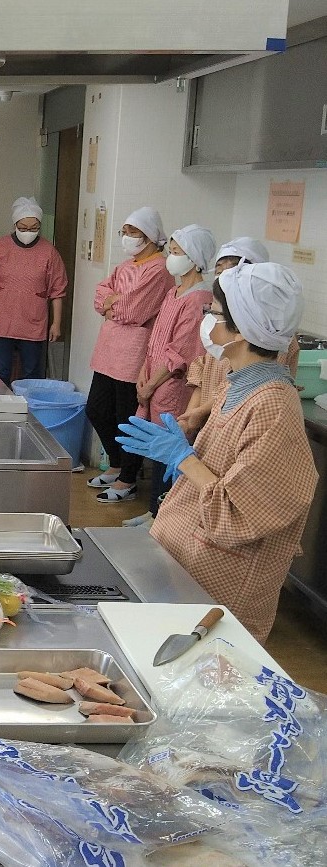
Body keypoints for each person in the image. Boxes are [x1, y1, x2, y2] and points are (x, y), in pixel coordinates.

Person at [117, 263, 317, 642]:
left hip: (220, 595)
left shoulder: (273, 407)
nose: (207, 322)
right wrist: (189, 460)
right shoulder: (237, 386)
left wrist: (185, 459)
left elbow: (239, 515)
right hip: (186, 563)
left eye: (215, 315)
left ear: (242, 331)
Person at [123, 224, 216, 528]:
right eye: (172, 251)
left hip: (171, 386)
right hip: (153, 378)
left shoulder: (198, 299)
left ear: (195, 258)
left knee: (169, 453)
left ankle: (161, 517)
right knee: (156, 449)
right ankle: (153, 512)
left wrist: (151, 383)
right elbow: (156, 341)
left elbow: (181, 352)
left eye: (177, 252)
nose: (171, 257)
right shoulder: (174, 292)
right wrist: (142, 372)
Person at [84, 206, 175, 504]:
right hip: (108, 350)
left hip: (134, 353)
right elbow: (100, 296)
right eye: (124, 232)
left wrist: (114, 305)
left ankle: (128, 479)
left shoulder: (159, 269)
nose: (126, 237)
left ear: (149, 236)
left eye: (132, 232)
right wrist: (111, 303)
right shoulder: (126, 266)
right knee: (97, 409)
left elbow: (135, 311)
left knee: (128, 418)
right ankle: (116, 463)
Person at [178, 237, 300, 440]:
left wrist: (183, 459)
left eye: (235, 269)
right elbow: (204, 370)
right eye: (220, 270)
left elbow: (242, 471)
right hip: (210, 425)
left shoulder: (270, 397)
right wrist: (192, 416)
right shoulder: (232, 374)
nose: (225, 275)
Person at [0, 197, 68, 384]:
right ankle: (1, 410)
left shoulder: (49, 252)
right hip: (0, 320)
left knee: (32, 372)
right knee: (1, 370)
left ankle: (30, 409)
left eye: (34, 228)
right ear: (15, 224)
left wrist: (56, 323)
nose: (28, 232)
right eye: (23, 228)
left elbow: (58, 290)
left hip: (33, 321)